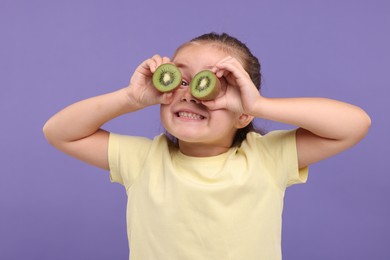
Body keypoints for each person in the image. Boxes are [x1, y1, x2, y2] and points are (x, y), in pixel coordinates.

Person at [43, 32, 371, 260]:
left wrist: (259, 105)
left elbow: (354, 125)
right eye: (181, 79)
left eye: (214, 85)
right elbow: (59, 132)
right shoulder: (145, 160)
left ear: (243, 112)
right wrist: (130, 98)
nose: (191, 92)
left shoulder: (266, 157)